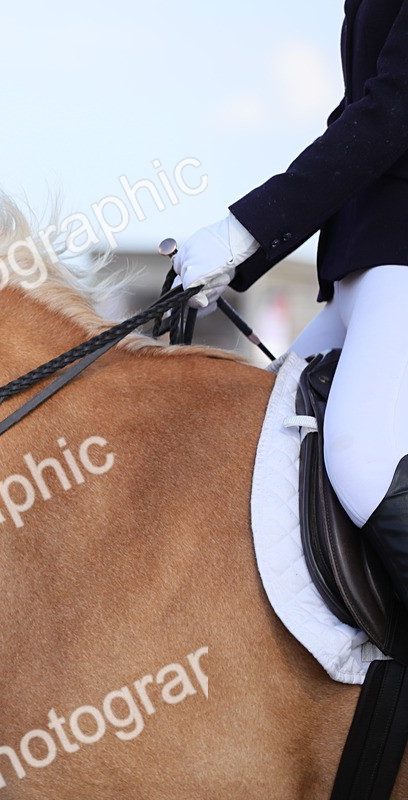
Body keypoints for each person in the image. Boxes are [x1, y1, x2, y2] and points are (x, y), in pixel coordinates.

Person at [173, 0, 408, 608]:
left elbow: (394, 112)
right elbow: (356, 116)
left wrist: (242, 231)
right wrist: (243, 253)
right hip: (361, 266)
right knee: (261, 451)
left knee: (363, 461)